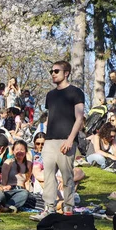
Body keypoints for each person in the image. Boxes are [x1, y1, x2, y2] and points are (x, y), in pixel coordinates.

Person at [33, 61, 85, 220]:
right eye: (51, 71)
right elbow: (52, 116)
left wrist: (70, 140)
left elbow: (79, 117)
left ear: (66, 72)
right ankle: (49, 209)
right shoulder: (50, 95)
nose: (53, 74)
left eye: (56, 71)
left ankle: (68, 208)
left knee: (67, 175)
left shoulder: (75, 92)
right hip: (49, 140)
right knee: (49, 175)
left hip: (66, 141)